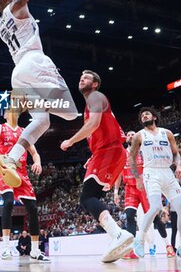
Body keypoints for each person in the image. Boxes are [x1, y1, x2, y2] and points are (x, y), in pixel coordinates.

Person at [0, 0, 78, 187]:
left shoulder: (0, 23)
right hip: (35, 63)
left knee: (43, 121)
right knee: (70, 114)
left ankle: (11, 157)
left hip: (18, 74)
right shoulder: (15, 5)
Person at [60, 70, 134, 263]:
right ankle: (117, 237)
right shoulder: (92, 103)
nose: (81, 79)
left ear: (95, 84)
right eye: (80, 77)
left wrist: (71, 140)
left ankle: (118, 234)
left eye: (86, 78)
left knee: (87, 197)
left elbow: (93, 124)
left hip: (109, 151)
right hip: (108, 152)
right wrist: (93, 156)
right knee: (94, 198)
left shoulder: (95, 96)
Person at [0, 109, 50, 262]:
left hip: (22, 173)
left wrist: (37, 162)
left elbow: (34, 153)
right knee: (9, 201)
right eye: (9, 110)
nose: (13, 111)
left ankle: (35, 250)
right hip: (4, 170)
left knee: (32, 208)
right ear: (4, 115)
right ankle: (5, 248)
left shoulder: (24, 131)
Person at [129, 107, 181, 259]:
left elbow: (176, 154)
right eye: (142, 116)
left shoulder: (166, 133)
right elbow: (132, 158)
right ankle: (139, 241)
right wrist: (138, 177)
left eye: (147, 114)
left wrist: (179, 166)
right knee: (155, 207)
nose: (144, 116)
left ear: (154, 116)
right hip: (151, 172)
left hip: (167, 172)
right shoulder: (139, 136)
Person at [114, 131, 175, 259]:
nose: (131, 136)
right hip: (130, 188)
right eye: (128, 135)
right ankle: (131, 250)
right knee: (130, 216)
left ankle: (168, 246)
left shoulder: (145, 150)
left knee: (155, 219)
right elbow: (119, 174)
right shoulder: (121, 153)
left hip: (145, 187)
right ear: (126, 139)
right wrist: (116, 192)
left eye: (133, 134)